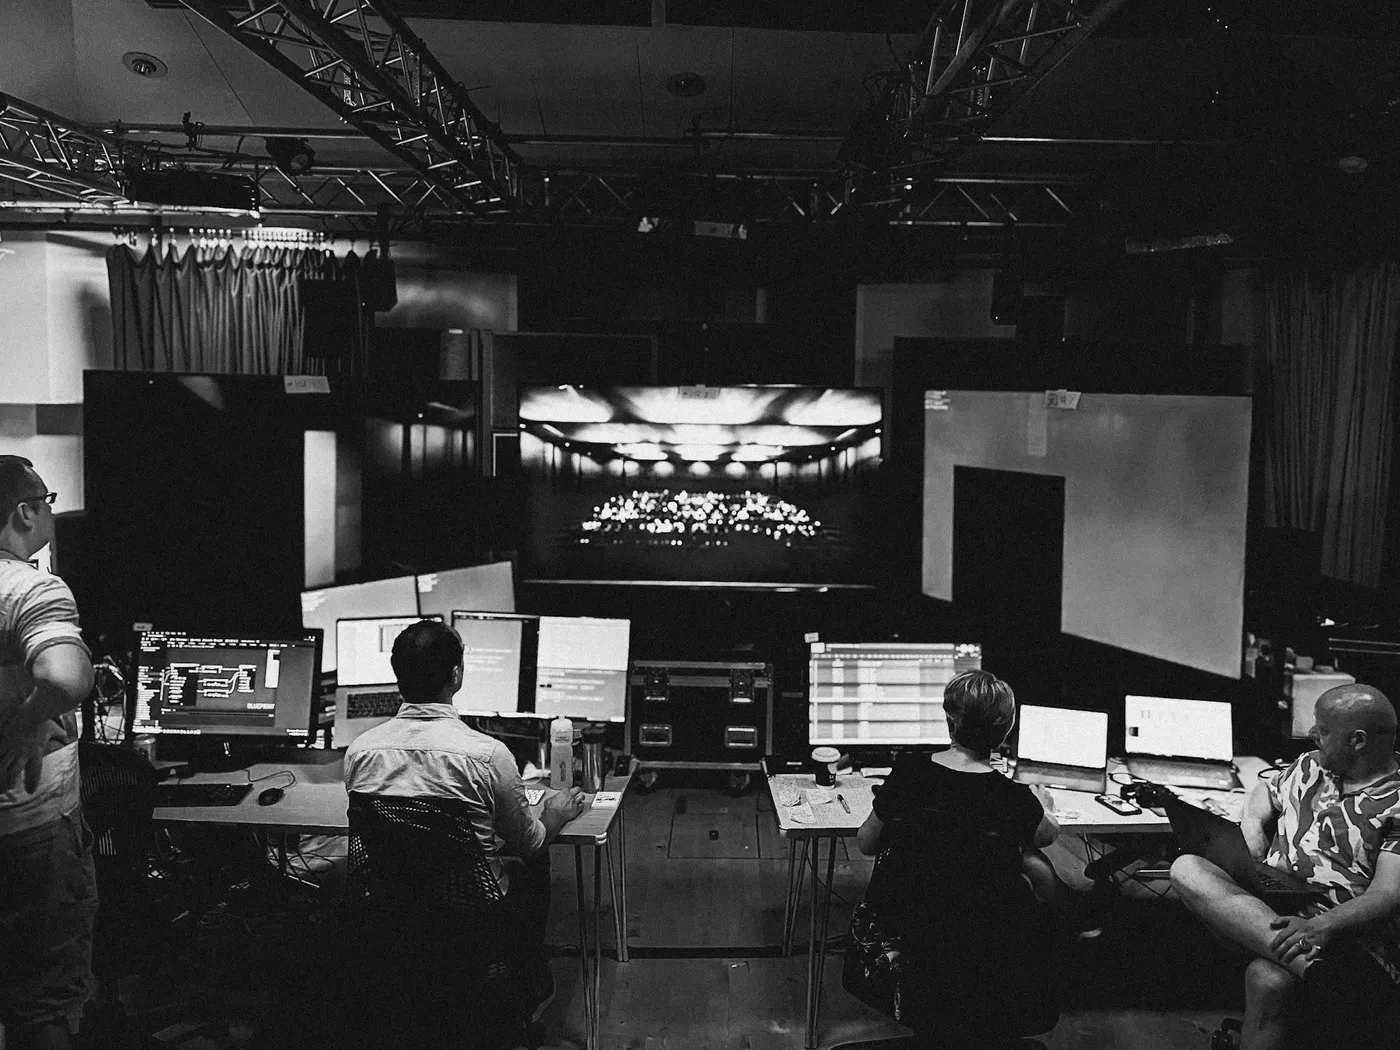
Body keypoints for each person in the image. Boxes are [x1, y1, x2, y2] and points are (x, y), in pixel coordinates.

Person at [343, 619, 587, 1001]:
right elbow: (530, 842)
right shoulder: (486, 756)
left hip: (395, 912)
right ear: (456, 675)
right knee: (532, 863)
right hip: (473, 917)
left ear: (397, 677)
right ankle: (527, 976)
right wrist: (556, 812)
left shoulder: (360, 753)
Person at [1171, 684, 1400, 1050]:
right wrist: (1252, 824)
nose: (1313, 736)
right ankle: (1315, 969)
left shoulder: (1396, 801)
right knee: (1186, 867)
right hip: (1271, 903)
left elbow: (1387, 895)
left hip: (1344, 927)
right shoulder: (1311, 764)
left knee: (1267, 979)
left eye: (1323, 730)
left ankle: (1308, 963)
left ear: (1357, 741)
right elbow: (1265, 790)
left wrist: (1319, 925)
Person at [852, 669, 1066, 1049]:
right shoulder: (1011, 797)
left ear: (950, 720)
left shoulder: (908, 773)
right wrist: (1044, 805)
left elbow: (866, 843)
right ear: (1006, 730)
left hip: (907, 930)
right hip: (985, 943)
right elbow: (1046, 836)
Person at [0, 456, 97, 1050]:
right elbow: (65, 677)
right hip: (26, 832)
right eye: (50, 499)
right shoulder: (28, 587)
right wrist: (30, 719)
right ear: (25, 511)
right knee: (42, 1001)